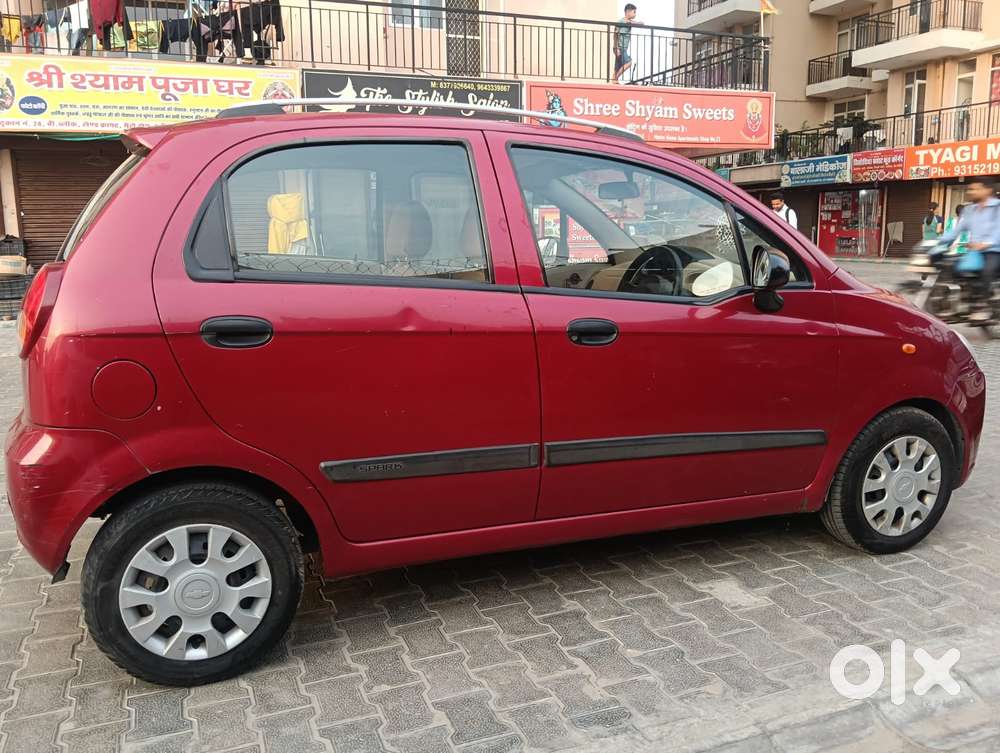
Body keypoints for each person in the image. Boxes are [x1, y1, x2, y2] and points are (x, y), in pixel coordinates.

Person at [937, 180, 1000, 321]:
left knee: (987, 271)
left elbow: (998, 231)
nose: (970, 192)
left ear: (987, 190)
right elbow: (956, 231)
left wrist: (986, 244)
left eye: (975, 189)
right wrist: (938, 242)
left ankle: (982, 306)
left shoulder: (997, 208)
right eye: (970, 189)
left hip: (995, 251)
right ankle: (956, 303)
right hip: (974, 252)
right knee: (950, 267)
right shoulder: (969, 210)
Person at [613, 4, 641, 82]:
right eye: (634, 12)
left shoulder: (628, 21)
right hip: (620, 47)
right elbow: (615, 35)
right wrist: (616, 48)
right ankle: (615, 78)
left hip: (622, 47)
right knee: (629, 62)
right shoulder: (622, 21)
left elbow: (636, 23)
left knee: (618, 66)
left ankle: (614, 81)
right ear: (628, 12)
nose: (635, 14)